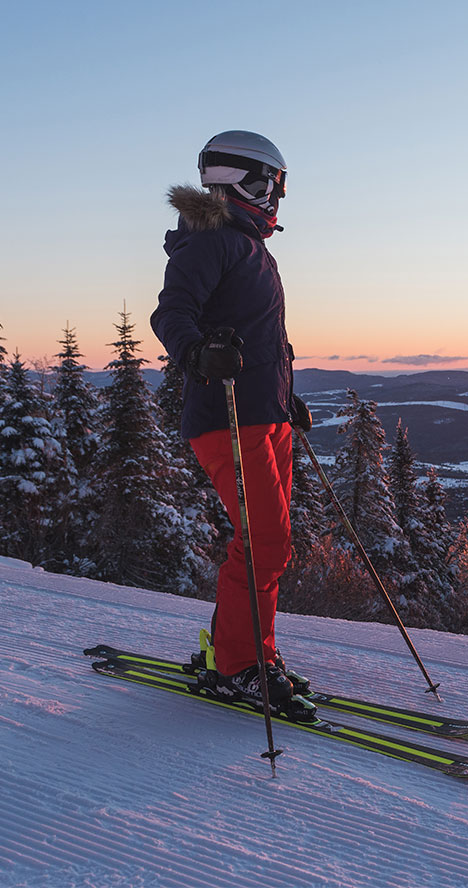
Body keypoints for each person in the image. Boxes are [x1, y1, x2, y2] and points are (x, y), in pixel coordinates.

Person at [150, 130, 313, 714]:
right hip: (228, 417)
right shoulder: (211, 239)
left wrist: (284, 395)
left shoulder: (249, 247)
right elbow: (171, 312)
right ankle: (239, 665)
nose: (276, 197)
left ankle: (247, 653)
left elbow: (259, 335)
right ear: (247, 179)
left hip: (263, 413)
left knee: (268, 544)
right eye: (274, 185)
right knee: (265, 543)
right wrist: (194, 353)